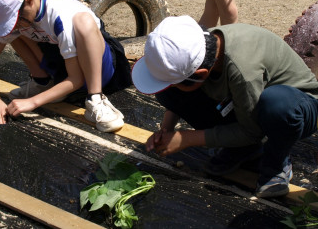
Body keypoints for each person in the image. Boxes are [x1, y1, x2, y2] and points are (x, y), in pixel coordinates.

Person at [131, 15, 318, 198]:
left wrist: (188, 138)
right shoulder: (197, 46)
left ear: (201, 74)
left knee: (277, 105)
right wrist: (166, 130)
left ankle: (277, 164)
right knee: (168, 90)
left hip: (299, 106)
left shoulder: (243, 72)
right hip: (249, 102)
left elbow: (252, 131)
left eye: (177, 82)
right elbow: (177, 94)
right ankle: (245, 150)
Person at [0, 0, 131, 133]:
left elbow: (76, 79)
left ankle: (95, 98)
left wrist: (33, 102)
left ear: (30, 1)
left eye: (15, 20)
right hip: (63, 63)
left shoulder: (60, 15)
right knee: (12, 33)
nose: (14, 25)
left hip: (97, 69)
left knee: (84, 22)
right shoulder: (24, 16)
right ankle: (43, 83)